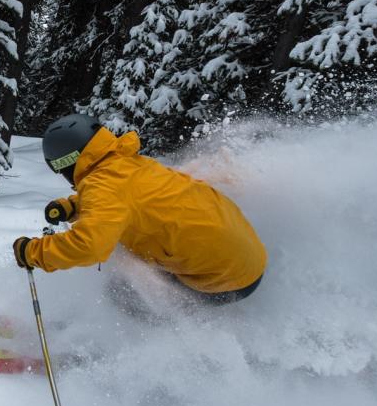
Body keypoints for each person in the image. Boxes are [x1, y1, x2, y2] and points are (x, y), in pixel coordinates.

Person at [13, 114, 266, 306]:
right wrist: (73, 206)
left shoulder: (103, 186)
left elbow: (89, 246)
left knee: (123, 291)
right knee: (133, 265)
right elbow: (129, 198)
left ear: (65, 163)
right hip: (248, 256)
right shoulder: (129, 163)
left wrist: (33, 252)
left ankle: (146, 350)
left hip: (225, 280)